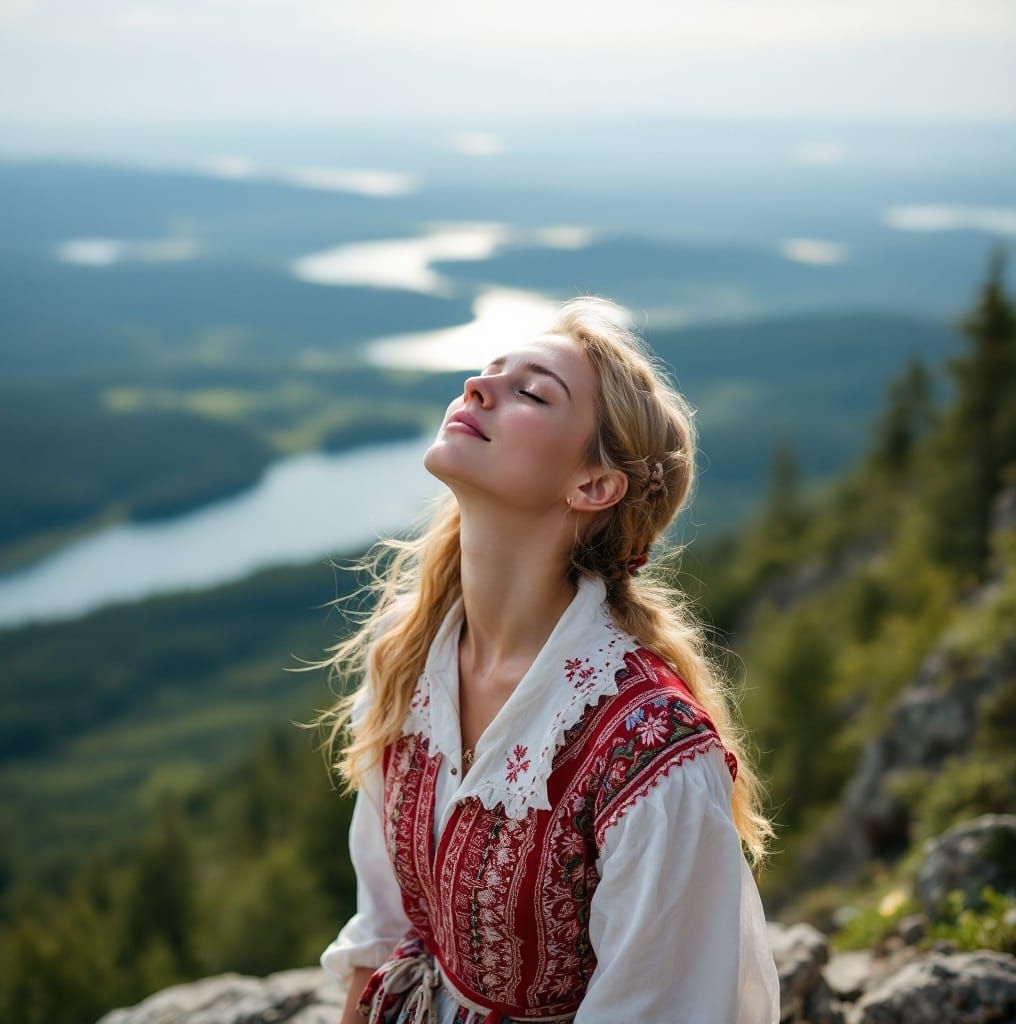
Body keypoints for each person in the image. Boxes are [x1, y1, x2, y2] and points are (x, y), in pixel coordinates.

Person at [304, 296, 781, 1023]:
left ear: (592, 486)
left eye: (530, 392)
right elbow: (387, 932)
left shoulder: (654, 757)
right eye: (488, 371)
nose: (476, 387)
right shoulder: (406, 658)